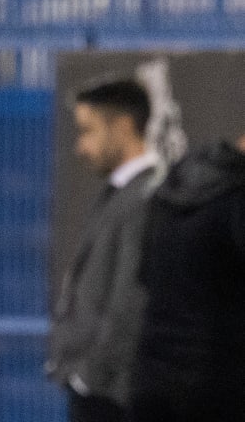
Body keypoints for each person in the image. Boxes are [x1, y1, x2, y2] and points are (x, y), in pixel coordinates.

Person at [46, 79, 163, 422]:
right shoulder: (123, 193)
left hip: (111, 395)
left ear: (123, 127)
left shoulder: (147, 197)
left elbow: (131, 299)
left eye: (88, 131)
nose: (80, 147)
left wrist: (91, 375)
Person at [128, 132, 245, 422]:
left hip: (153, 379)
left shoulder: (174, 183)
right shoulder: (236, 197)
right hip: (219, 387)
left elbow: (144, 274)